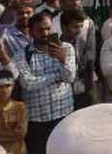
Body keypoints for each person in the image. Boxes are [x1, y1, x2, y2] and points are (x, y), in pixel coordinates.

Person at [12, 11, 76, 154]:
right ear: (31, 32)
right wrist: (56, 76)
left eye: (48, 29)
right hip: (37, 120)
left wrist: (63, 60)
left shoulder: (66, 49)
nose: (46, 33)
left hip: (63, 115)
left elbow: (70, 78)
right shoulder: (21, 54)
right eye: (40, 30)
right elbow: (28, 84)